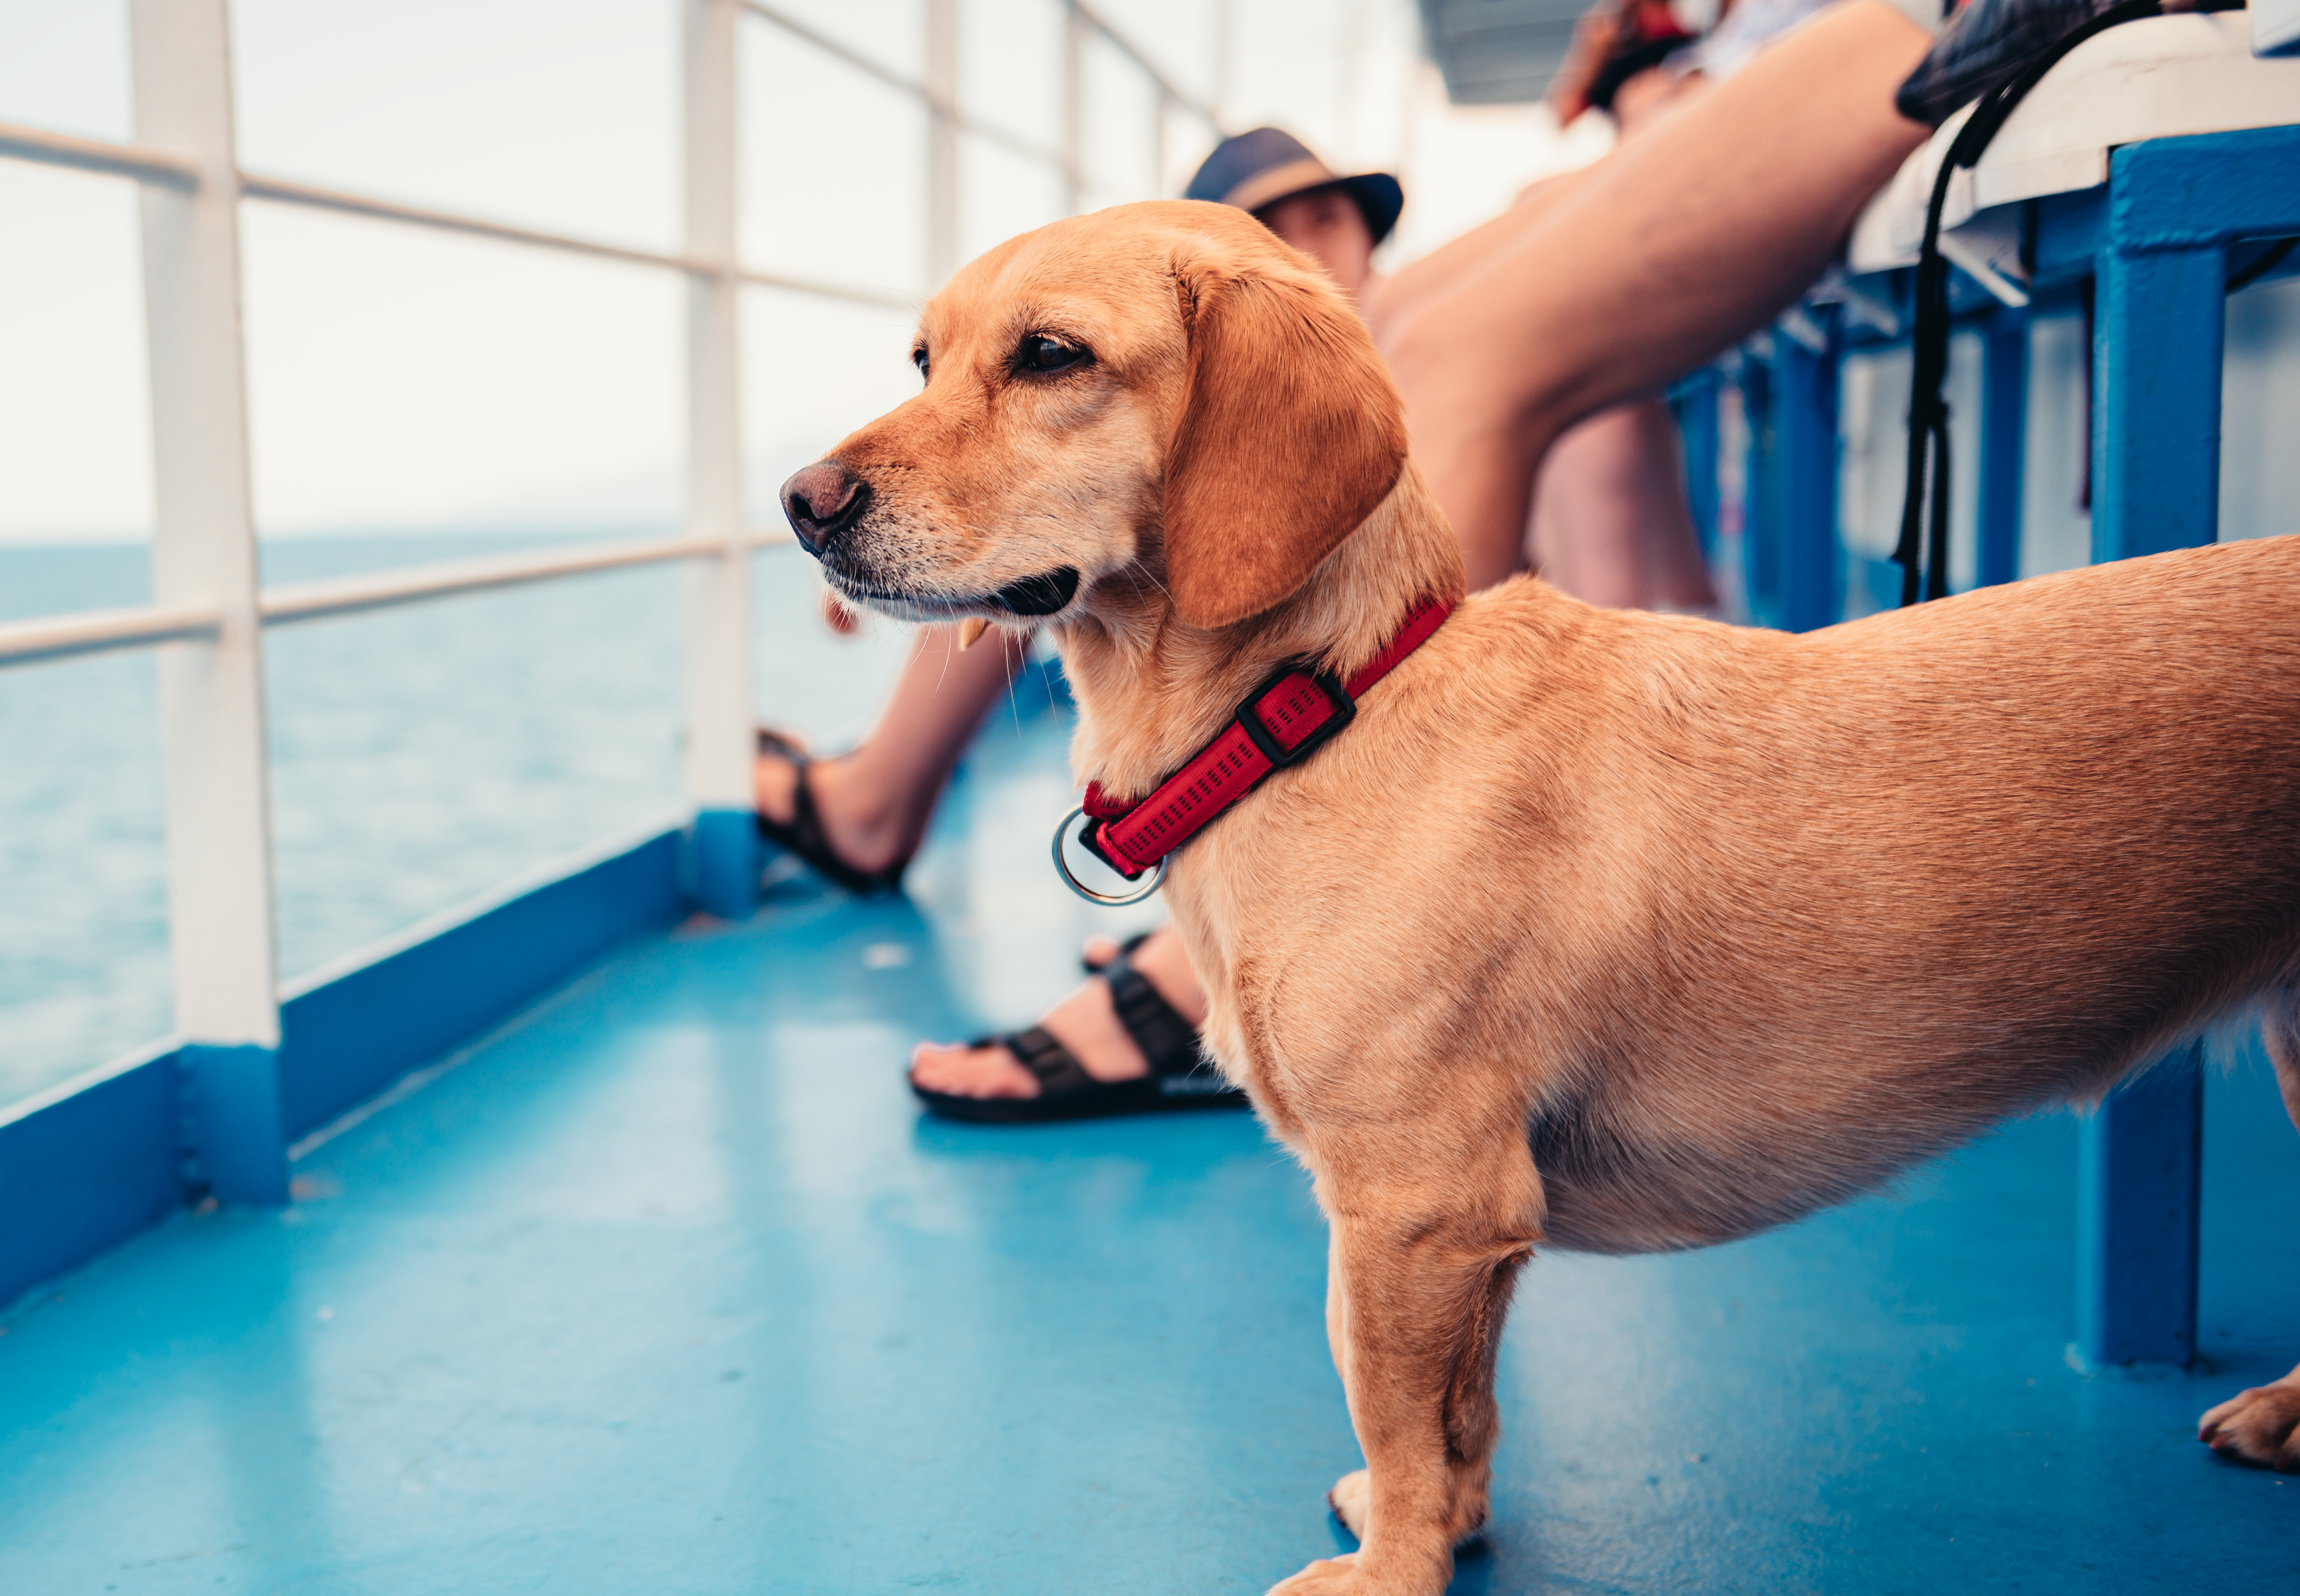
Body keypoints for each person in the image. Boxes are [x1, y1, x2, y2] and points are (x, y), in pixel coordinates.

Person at [771, 0, 2071, 1119]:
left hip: (1889, 36)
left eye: (1323, 214)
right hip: (1777, 63)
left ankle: (1214, 956)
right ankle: (916, 809)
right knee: (1452, 324)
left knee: (1445, 357)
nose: (1310, 239)